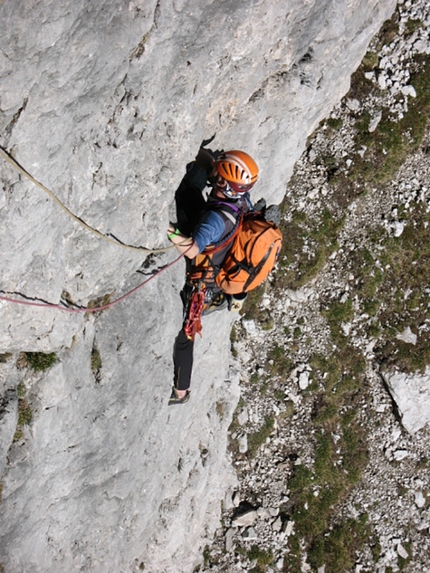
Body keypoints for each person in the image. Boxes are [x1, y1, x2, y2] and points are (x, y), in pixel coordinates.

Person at [167, 148, 259, 405]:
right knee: (188, 195)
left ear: (223, 183)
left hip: (203, 284)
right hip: (218, 266)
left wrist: (170, 233)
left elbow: (194, 248)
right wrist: (206, 156)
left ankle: (181, 392)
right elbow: (214, 166)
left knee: (185, 337)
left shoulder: (214, 219)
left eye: (218, 173)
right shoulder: (240, 197)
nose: (215, 172)